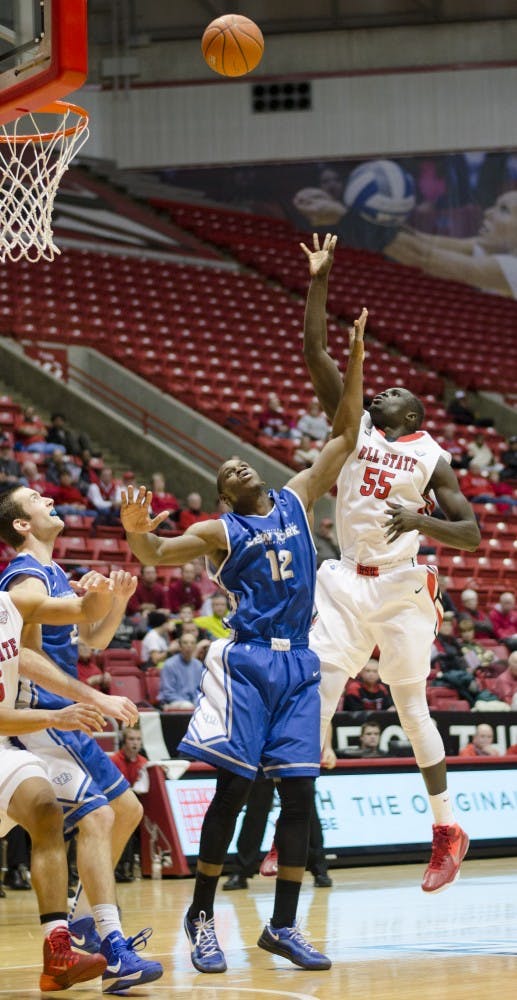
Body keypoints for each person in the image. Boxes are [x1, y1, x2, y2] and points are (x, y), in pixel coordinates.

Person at [120, 298, 366, 974]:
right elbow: (154, 556)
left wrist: (355, 358)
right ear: (225, 498)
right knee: (231, 791)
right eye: (225, 472)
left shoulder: (293, 495)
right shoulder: (221, 531)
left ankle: (282, 926)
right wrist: (138, 528)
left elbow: (345, 435)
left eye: (238, 461)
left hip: (300, 663)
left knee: (299, 796)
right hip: (247, 660)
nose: (236, 464)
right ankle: (201, 913)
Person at [302, 231, 481, 894]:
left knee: (411, 709)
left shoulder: (433, 455)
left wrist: (419, 520)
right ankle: (296, 819)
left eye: (391, 392)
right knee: (317, 689)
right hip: (347, 579)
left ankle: (446, 830)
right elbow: (315, 352)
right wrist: (319, 279)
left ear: (414, 411)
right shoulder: (352, 427)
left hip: (403, 585)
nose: (378, 392)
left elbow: (469, 533)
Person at [0, 486, 163, 993]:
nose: (48, 498)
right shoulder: (22, 577)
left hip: (63, 711)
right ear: (22, 525)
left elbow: (92, 638)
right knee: (100, 816)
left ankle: (86, 920)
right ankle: (109, 943)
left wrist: (116, 602)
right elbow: (32, 654)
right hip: (44, 715)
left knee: (129, 814)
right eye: (35, 498)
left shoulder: (51, 571)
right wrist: (92, 699)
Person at [0, 569, 118, 990]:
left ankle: (58, 952)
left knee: (47, 811)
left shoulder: (12, 605)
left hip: (3, 747)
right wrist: (57, 715)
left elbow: (84, 613)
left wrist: (103, 592)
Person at [386, 190, 517, 298]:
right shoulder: (494, 247)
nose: (488, 213)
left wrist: (376, 232)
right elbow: (426, 241)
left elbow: (424, 258)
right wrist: (389, 223)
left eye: (504, 210)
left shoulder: (512, 267)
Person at [111, 727, 149, 883]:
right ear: (123, 742)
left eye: (138, 739)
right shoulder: (114, 760)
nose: (135, 743)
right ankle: (120, 868)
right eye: (131, 739)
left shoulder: (144, 763)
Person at [159, 633, 204, 709]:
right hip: (172, 702)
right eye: (185, 643)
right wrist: (190, 704)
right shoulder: (170, 664)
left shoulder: (199, 665)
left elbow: (200, 690)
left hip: (193, 702)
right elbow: (167, 693)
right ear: (180, 646)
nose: (189, 646)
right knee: (187, 706)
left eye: (192, 643)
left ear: (195, 646)